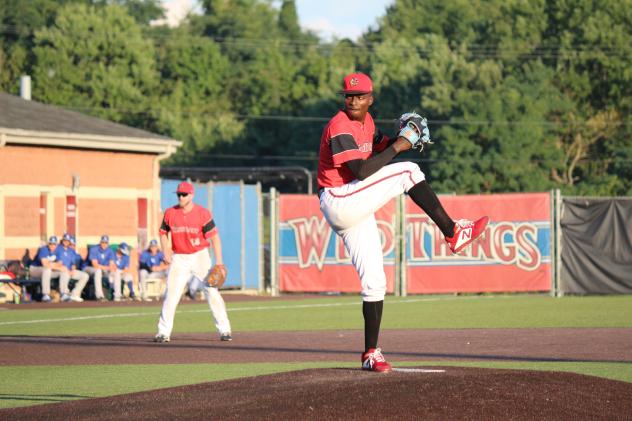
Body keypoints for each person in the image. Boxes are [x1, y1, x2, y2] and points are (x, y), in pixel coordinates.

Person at [317, 72, 489, 372]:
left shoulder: (367, 124)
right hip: (338, 198)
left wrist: (403, 137)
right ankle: (453, 232)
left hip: (352, 205)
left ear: (370, 99)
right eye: (348, 95)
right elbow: (360, 171)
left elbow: (384, 148)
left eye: (359, 96)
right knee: (409, 171)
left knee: (375, 282)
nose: (353, 100)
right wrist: (401, 146)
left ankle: (371, 353)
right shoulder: (340, 125)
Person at [154, 181, 232, 343]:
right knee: (172, 294)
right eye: (179, 194)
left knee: (211, 291)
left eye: (184, 194)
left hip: (200, 256)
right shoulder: (170, 213)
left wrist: (219, 262)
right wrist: (166, 250)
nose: (181, 197)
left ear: (192, 195)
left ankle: (225, 329)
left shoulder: (202, 213)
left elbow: (215, 238)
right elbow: (162, 232)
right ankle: (163, 332)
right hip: (179, 258)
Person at [54, 233, 89, 302]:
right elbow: (56, 263)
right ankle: (64, 294)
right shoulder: (57, 249)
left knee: (85, 276)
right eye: (65, 240)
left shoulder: (71, 250)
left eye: (67, 240)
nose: (66, 242)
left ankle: (74, 294)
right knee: (65, 273)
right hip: (60, 270)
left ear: (70, 241)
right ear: (62, 240)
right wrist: (65, 269)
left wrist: (73, 269)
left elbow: (73, 264)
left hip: (70, 271)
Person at [29, 235, 62, 302]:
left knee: (63, 272)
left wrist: (52, 265)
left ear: (56, 245)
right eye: (51, 243)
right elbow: (44, 264)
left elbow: (60, 264)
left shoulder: (58, 251)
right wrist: (55, 266)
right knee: (47, 270)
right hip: (35, 269)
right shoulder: (43, 249)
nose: (52, 245)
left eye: (54, 244)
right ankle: (45, 294)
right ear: (48, 244)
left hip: (49, 270)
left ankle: (64, 293)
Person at [84, 235, 116, 301]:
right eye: (103, 242)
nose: (104, 244)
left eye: (105, 242)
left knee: (114, 273)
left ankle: (116, 296)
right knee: (98, 271)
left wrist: (108, 268)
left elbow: (111, 265)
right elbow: (94, 265)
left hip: (103, 269)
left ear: (108, 243)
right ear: (100, 242)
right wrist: (106, 268)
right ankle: (99, 295)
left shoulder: (110, 251)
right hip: (89, 269)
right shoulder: (94, 249)